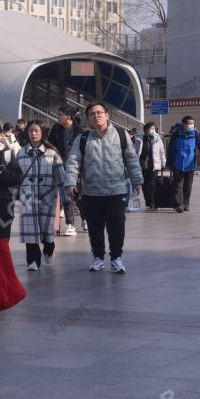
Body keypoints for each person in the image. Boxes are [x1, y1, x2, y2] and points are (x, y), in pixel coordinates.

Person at [65, 102, 143, 274]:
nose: (97, 116)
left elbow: (131, 159)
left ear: (107, 115)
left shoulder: (121, 135)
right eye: (92, 114)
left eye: (100, 112)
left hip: (116, 190)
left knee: (116, 225)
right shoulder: (83, 139)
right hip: (91, 192)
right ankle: (98, 257)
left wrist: (137, 180)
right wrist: (70, 182)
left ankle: (116, 257)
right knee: (95, 227)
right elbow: (73, 162)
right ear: (87, 119)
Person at [17, 120, 70, 270]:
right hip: (27, 197)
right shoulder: (21, 153)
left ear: (42, 133)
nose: (33, 134)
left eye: (36, 131)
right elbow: (16, 177)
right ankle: (32, 261)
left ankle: (49, 248)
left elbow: (61, 178)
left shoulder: (52, 153)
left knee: (46, 232)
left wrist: (67, 202)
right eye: (30, 131)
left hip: (48, 197)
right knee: (30, 231)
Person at [48, 105, 83, 235]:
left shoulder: (79, 131)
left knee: (78, 195)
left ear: (68, 117)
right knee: (66, 195)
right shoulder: (56, 129)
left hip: (77, 168)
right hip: (60, 166)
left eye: (60, 115)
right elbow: (50, 145)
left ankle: (84, 219)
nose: (57, 117)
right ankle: (70, 224)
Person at [166, 116, 200, 213]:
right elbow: (170, 149)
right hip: (177, 163)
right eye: (189, 124)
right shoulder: (176, 134)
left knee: (188, 185)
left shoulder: (196, 134)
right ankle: (179, 204)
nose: (191, 126)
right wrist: (168, 162)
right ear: (183, 124)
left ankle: (186, 203)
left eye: (192, 124)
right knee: (178, 185)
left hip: (190, 164)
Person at [136, 122, 166, 210]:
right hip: (143, 165)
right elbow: (136, 153)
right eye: (150, 129)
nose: (152, 131)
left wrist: (163, 163)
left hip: (154, 165)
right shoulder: (139, 139)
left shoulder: (157, 139)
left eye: (153, 129)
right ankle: (148, 201)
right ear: (145, 130)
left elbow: (162, 151)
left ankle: (153, 203)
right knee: (145, 185)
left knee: (153, 184)